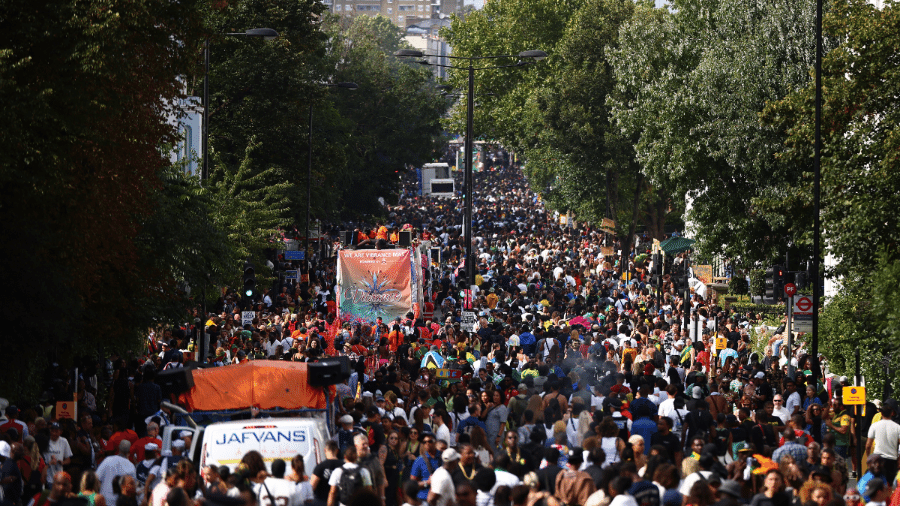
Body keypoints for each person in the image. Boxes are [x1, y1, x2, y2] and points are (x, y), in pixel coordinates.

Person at [96, 440, 136, 506]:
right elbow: (132, 488)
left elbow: (96, 479)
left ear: (118, 449)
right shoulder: (131, 466)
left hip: (105, 501)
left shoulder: (107, 460)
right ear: (129, 451)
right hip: (121, 503)